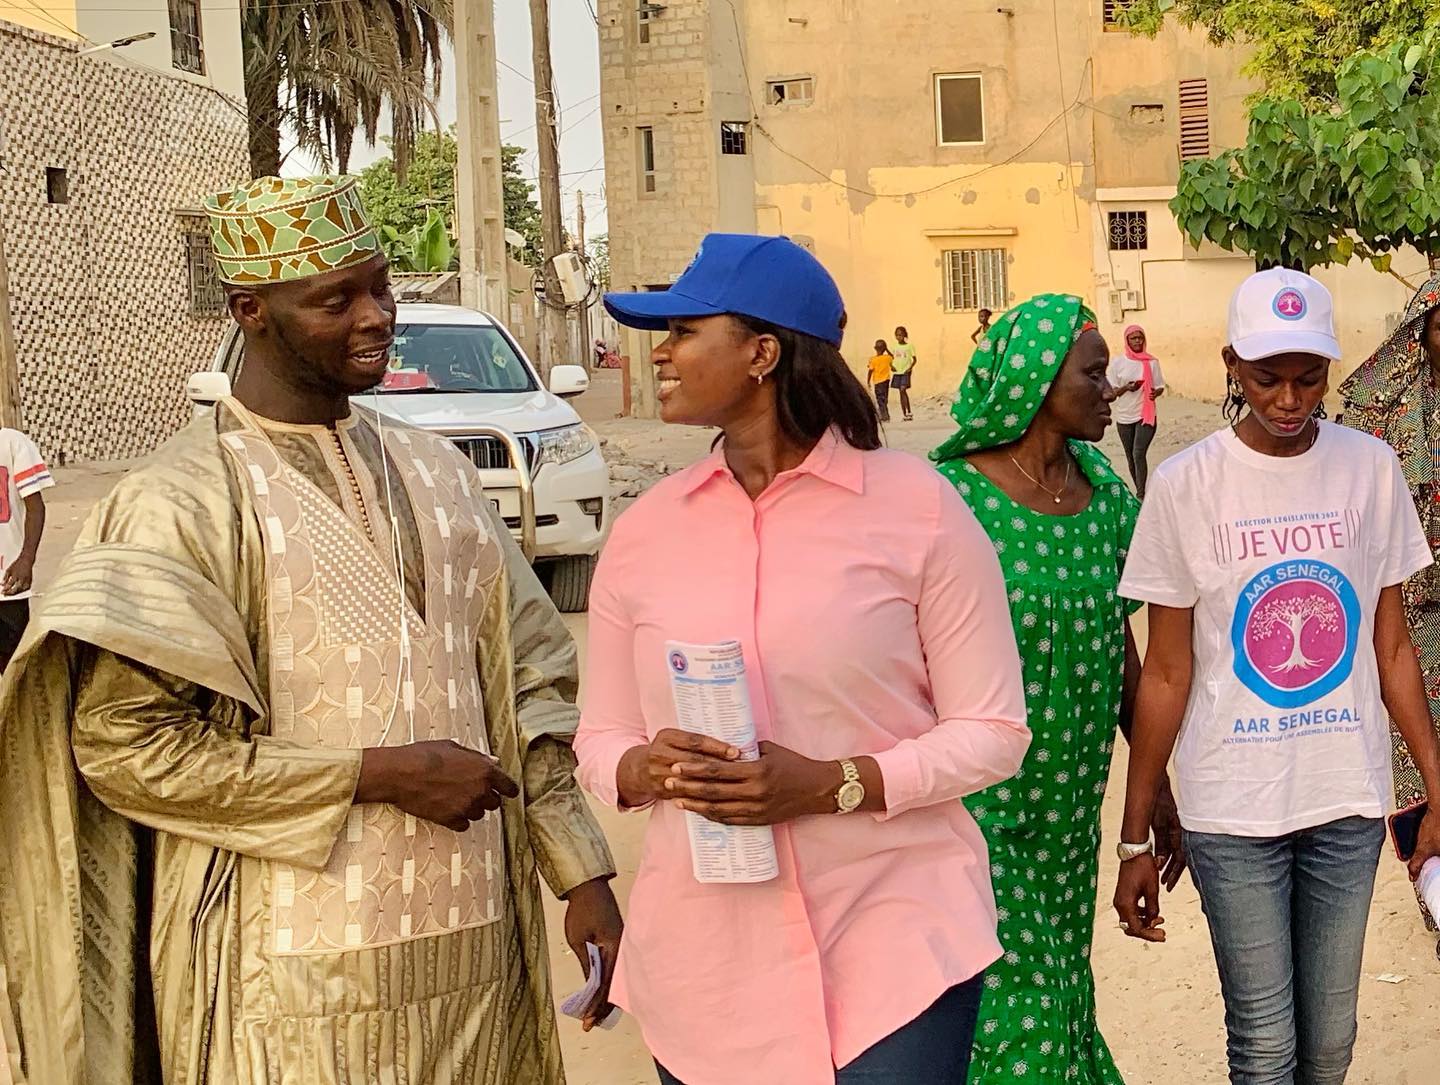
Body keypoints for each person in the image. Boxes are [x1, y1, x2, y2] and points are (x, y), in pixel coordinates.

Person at [0, 176, 622, 1085]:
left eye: (383, 288)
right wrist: (379, 775)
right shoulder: (177, 503)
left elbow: (531, 677)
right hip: (283, 982)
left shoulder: (438, 473)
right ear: (251, 310)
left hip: (474, 957)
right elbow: (125, 747)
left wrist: (580, 869)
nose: (377, 317)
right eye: (338, 298)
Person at [575, 233, 1031, 1085]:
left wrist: (835, 782)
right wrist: (647, 765)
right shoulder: (644, 536)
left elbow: (995, 729)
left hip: (893, 942)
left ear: (763, 352)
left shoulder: (919, 511)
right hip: (707, 963)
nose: (660, 352)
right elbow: (598, 736)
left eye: (683, 330)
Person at [1114, 269, 1440, 1083]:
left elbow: (1393, 647)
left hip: (1345, 799)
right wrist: (1135, 834)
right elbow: (1164, 669)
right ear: (1231, 365)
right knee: (1264, 1045)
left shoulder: (1370, 469)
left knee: (1329, 1046)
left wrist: (1437, 785)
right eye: (1266, 378)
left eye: (1308, 377)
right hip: (1234, 807)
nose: (1289, 399)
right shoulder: (1186, 484)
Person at [931, 295, 1184, 1084]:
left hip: (1070, 805)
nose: (1110, 389)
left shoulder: (1108, 498)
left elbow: (1124, 656)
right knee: (1021, 996)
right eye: (1094, 373)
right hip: (975, 804)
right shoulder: (951, 500)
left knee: (1063, 981)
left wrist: (1155, 791)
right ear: (1037, 381)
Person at [1340, 275, 1440, 939]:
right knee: (1417, 758)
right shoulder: (1380, 410)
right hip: (1407, 615)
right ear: (1421, 331)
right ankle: (1433, 887)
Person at [0, 428, 52, 670]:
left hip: (7, 583)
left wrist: (26, 558)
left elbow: (35, 507)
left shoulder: (12, 443)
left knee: (16, 668)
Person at [1107, 324, 1165, 499]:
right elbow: (1112, 393)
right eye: (1134, 338)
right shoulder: (1118, 363)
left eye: (1140, 338)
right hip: (1124, 417)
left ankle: (1141, 494)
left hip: (1145, 415)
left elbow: (1160, 386)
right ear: (1127, 340)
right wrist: (1127, 387)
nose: (1138, 341)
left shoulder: (1152, 362)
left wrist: (1156, 393)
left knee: (1138, 452)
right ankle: (1139, 489)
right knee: (1130, 456)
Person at [892, 324, 918, 420]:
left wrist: (910, 367)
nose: (899, 337)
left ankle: (909, 411)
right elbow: (891, 357)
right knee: (900, 392)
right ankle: (905, 413)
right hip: (897, 371)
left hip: (905, 371)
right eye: (897, 335)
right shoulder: (894, 346)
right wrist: (891, 366)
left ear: (904, 335)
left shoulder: (909, 346)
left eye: (901, 335)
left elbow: (914, 359)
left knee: (903, 389)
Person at [868, 337, 893, 422]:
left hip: (878, 382)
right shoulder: (887, 358)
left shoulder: (873, 359)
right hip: (886, 381)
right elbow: (892, 356)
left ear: (875, 348)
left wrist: (868, 381)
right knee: (884, 399)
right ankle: (885, 415)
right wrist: (887, 349)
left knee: (880, 399)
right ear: (884, 348)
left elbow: (870, 371)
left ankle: (884, 416)